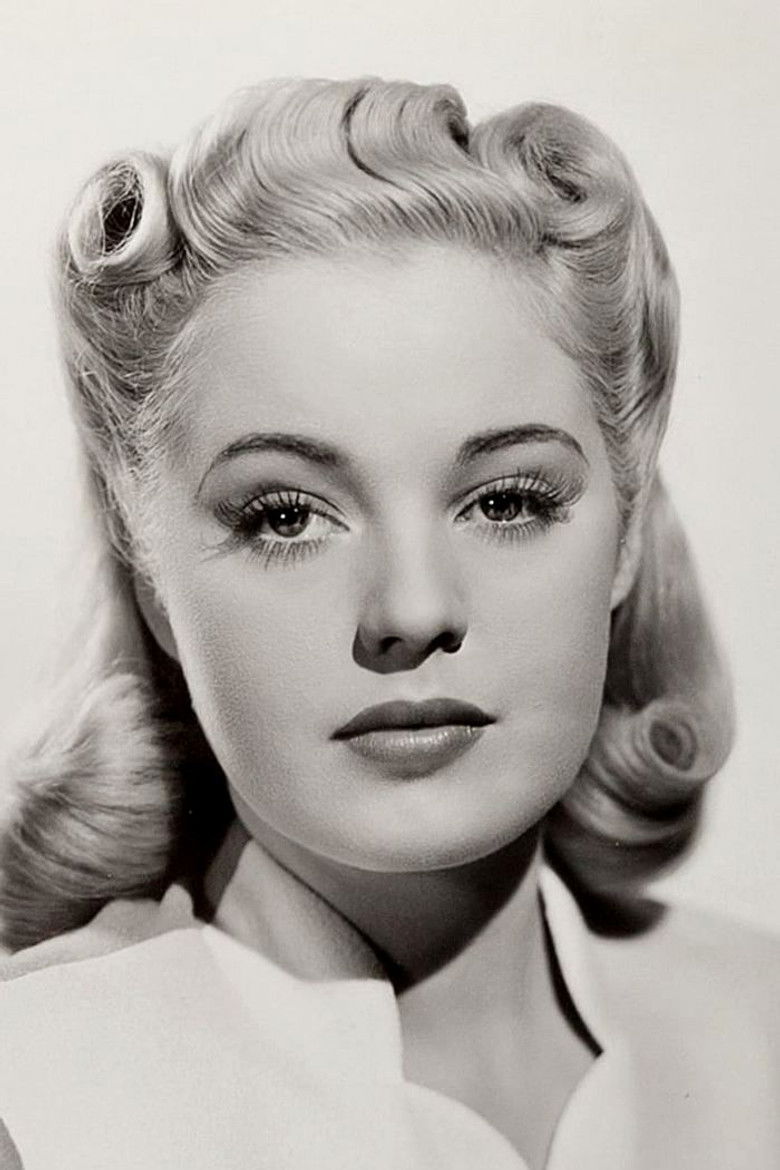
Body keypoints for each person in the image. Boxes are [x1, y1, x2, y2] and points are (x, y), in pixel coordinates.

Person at [0, 77, 777, 1170]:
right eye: (285, 517)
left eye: (507, 502)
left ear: (628, 538)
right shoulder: (37, 1098)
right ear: (151, 577)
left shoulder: (758, 1025)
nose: (413, 611)